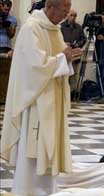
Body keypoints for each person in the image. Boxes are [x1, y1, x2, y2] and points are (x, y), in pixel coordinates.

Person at [0, 0, 83, 195]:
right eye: (63, 10)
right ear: (50, 7)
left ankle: (46, 190)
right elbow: (34, 65)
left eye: (68, 10)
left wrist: (67, 56)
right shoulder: (32, 28)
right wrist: (64, 58)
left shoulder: (54, 29)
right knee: (34, 147)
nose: (65, 14)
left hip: (51, 97)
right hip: (36, 100)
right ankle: (27, 190)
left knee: (49, 145)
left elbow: (60, 57)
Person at [60, 10, 86, 95]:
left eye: (75, 16)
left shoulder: (79, 27)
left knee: (74, 75)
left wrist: (78, 44)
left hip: (75, 53)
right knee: (64, 74)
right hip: (64, 53)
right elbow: (57, 39)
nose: (73, 17)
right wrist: (64, 43)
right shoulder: (61, 26)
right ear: (67, 15)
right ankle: (63, 93)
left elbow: (83, 39)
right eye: (71, 15)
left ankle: (71, 93)